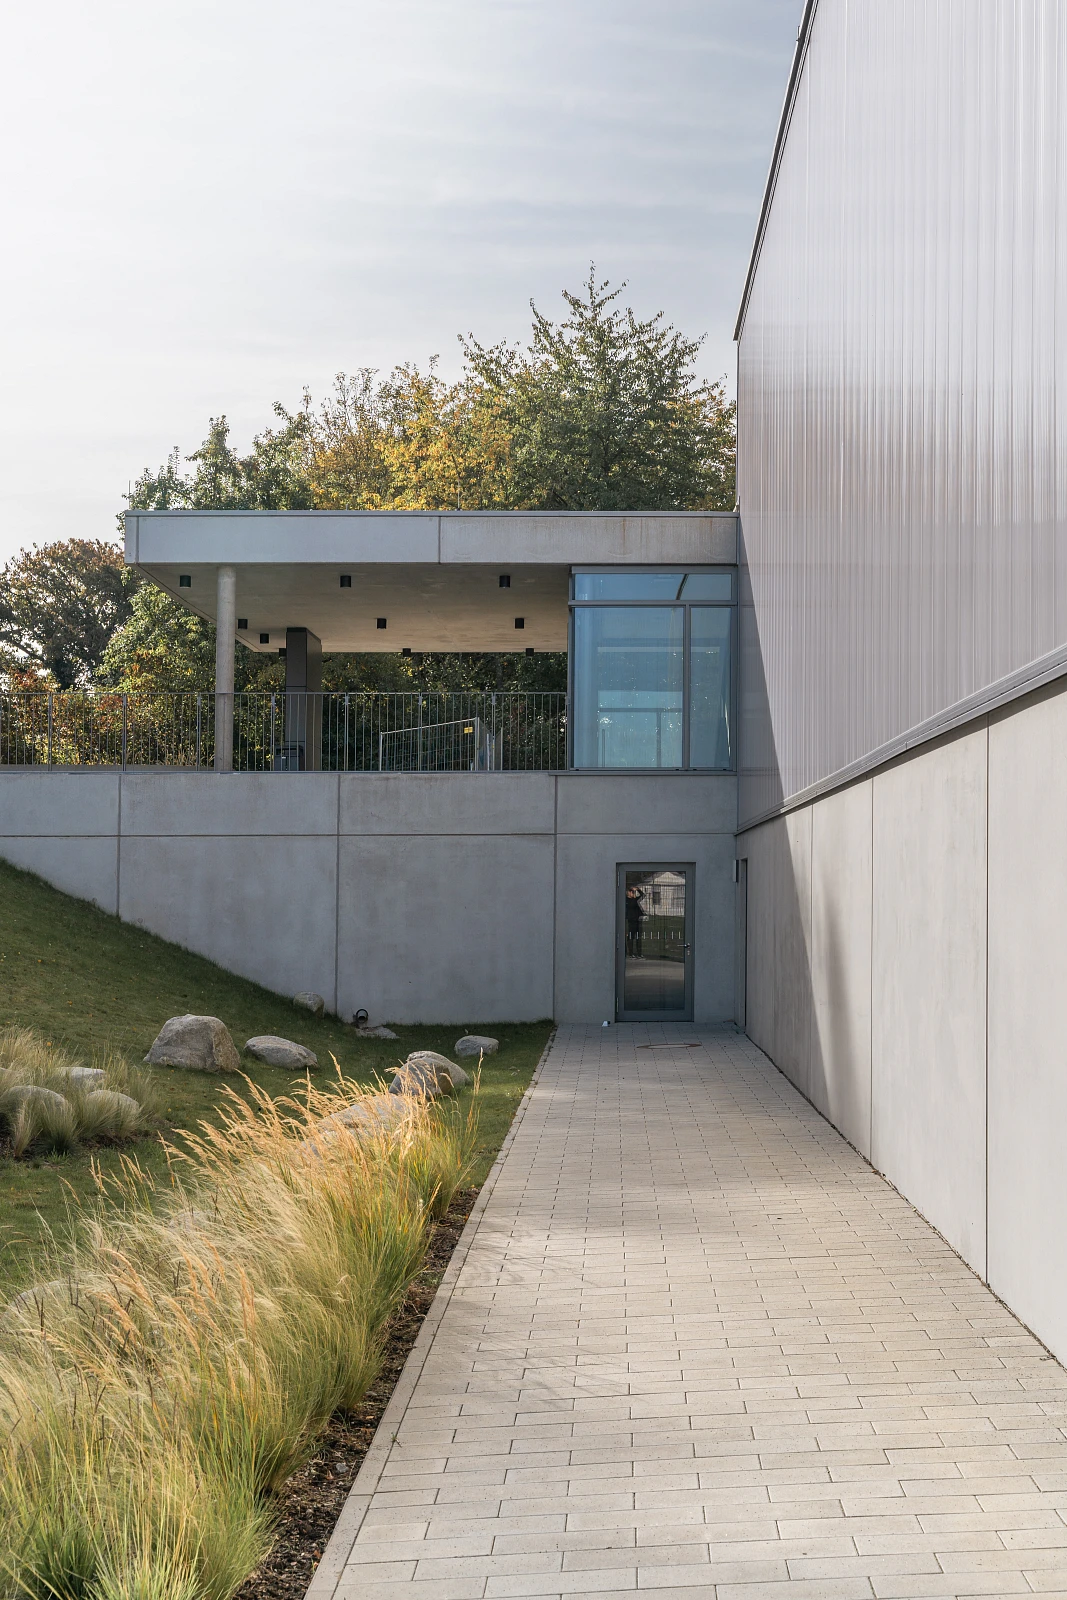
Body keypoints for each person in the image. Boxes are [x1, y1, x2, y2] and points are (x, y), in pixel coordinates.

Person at [625, 884, 646, 957]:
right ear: (628, 893)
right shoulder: (626, 900)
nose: (632, 893)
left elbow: (643, 895)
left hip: (637, 920)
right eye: (631, 892)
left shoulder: (635, 900)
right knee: (631, 936)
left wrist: (637, 889)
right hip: (631, 920)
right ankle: (631, 953)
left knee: (638, 937)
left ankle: (639, 953)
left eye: (633, 892)